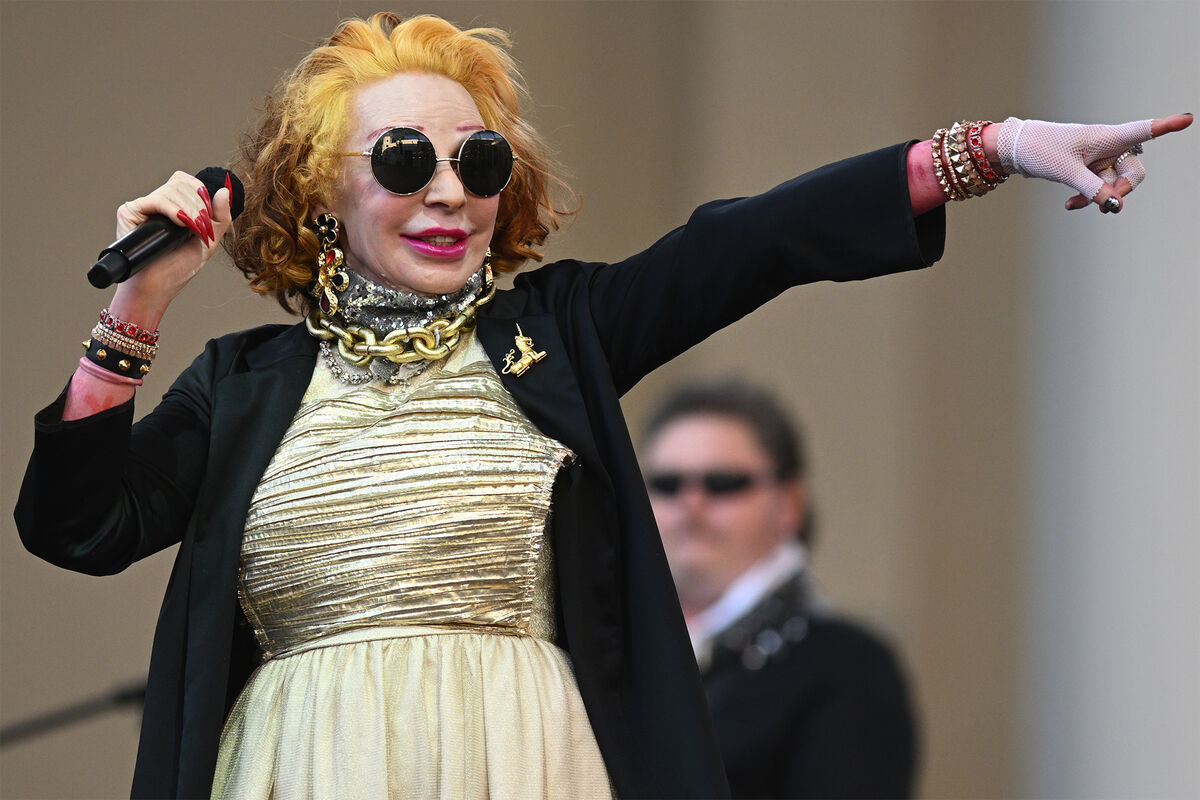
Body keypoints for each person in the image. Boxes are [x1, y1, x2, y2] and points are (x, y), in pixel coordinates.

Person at [11, 10, 1191, 800]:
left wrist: (995, 147)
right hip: (309, 763)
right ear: (323, 190)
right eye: (406, 160)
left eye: (479, 163)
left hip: (525, 759)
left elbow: (752, 241)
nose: (449, 193)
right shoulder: (242, 385)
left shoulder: (559, 332)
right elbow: (77, 525)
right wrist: (139, 306)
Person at [642, 381, 917, 799]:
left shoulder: (848, 669)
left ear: (790, 503)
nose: (690, 504)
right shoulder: (599, 651)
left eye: (723, 483)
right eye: (666, 484)